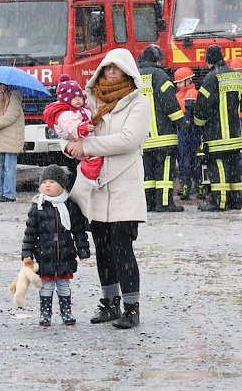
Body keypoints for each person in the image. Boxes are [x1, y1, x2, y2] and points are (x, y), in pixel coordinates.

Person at [65, 48, 151, 329]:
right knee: (102, 247)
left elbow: (128, 140)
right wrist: (70, 145)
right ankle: (110, 304)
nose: (111, 71)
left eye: (116, 67)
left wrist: (87, 145)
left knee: (122, 247)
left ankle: (132, 308)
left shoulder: (139, 103)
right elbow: (73, 131)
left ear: (127, 70)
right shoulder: (91, 100)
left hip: (125, 183)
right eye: (107, 67)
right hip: (97, 184)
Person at [21, 164, 90, 327]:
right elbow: (30, 233)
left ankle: (66, 312)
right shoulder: (38, 207)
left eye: (52, 182)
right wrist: (27, 253)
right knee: (46, 286)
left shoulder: (69, 206)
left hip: (66, 253)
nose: (47, 185)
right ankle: (45, 313)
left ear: (61, 186)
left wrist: (82, 249)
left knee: (64, 285)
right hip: (45, 254)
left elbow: (78, 230)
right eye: (44, 182)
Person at [193, 45, 242, 211]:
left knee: (219, 168)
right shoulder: (236, 75)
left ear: (208, 61)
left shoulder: (211, 78)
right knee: (234, 169)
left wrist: (199, 124)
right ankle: (236, 201)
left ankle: (220, 202)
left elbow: (202, 107)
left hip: (217, 135)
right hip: (235, 134)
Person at [136, 45, 185, 212]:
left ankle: (148, 203)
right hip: (163, 136)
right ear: (157, 60)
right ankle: (164, 203)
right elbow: (169, 102)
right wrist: (181, 122)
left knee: (148, 174)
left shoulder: (133, 77)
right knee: (164, 172)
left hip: (142, 137)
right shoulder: (160, 76)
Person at [42, 74, 103, 185]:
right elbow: (71, 126)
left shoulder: (80, 110)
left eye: (80, 97)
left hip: (85, 139)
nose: (78, 100)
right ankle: (90, 177)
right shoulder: (65, 114)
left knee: (94, 158)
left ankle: (90, 176)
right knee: (94, 159)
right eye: (74, 98)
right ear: (66, 99)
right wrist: (82, 127)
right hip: (81, 139)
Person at [0, 82, 24, 202]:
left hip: (11, 138)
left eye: (1, 85)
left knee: (9, 169)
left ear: (8, 85)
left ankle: (9, 194)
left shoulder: (15, 97)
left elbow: (9, 117)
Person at [173, 67, 200, 201]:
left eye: (180, 82)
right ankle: (186, 185)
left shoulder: (193, 93)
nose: (177, 85)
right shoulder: (178, 95)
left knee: (194, 160)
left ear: (188, 80)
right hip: (182, 130)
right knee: (184, 160)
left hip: (191, 130)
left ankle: (197, 186)